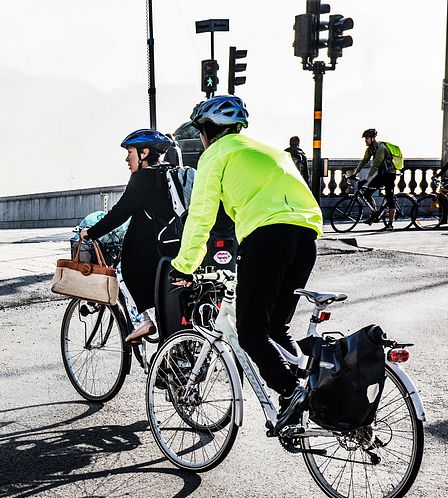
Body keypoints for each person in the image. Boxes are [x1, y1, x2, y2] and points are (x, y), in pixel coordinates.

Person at [169, 95, 323, 431]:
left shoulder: (216, 155)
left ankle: (291, 392)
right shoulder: (271, 150)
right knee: (275, 327)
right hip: (306, 238)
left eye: (200, 133)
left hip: (268, 238)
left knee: (251, 332)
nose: (201, 139)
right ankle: (307, 392)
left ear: (208, 131)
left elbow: (201, 216)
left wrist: (184, 265)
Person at [79, 129, 178, 343]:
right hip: (171, 248)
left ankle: (141, 320)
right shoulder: (167, 174)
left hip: (150, 252)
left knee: (121, 273)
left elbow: (120, 212)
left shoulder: (142, 178)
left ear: (144, 153)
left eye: (130, 152)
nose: (126, 158)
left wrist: (91, 232)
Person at [347, 128, 397, 229]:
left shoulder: (381, 148)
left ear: (372, 138)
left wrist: (366, 179)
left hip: (389, 175)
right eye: (365, 138)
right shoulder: (370, 149)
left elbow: (375, 165)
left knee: (390, 198)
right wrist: (355, 173)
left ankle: (390, 224)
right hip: (381, 174)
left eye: (366, 138)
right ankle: (375, 214)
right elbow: (364, 161)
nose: (365, 140)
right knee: (367, 193)